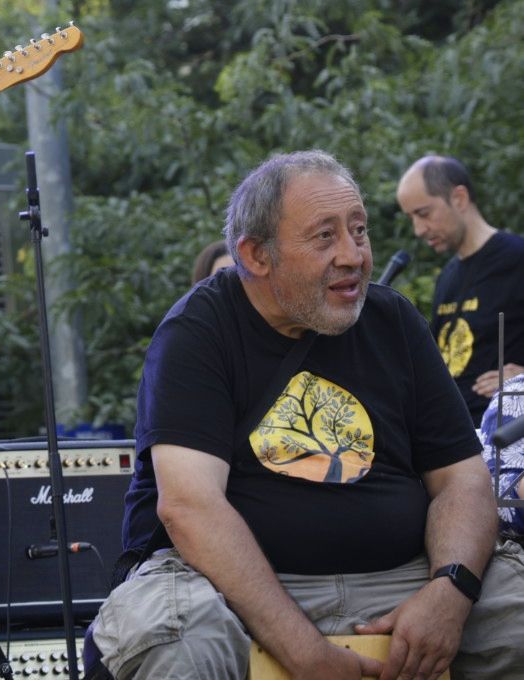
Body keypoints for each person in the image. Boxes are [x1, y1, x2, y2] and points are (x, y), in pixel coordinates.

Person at [89, 150, 524, 680]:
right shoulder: (197, 332)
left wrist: (450, 590)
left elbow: (463, 480)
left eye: (359, 231)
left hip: (403, 578)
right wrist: (305, 652)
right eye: (324, 237)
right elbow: (190, 507)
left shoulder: (394, 321)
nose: (353, 256)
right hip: (232, 590)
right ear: (256, 255)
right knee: (176, 639)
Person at [397, 154, 524, 423]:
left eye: (423, 213)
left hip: (505, 434)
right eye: (411, 218)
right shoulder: (447, 277)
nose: (418, 229)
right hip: (452, 434)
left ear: (459, 198)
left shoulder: (517, 259)